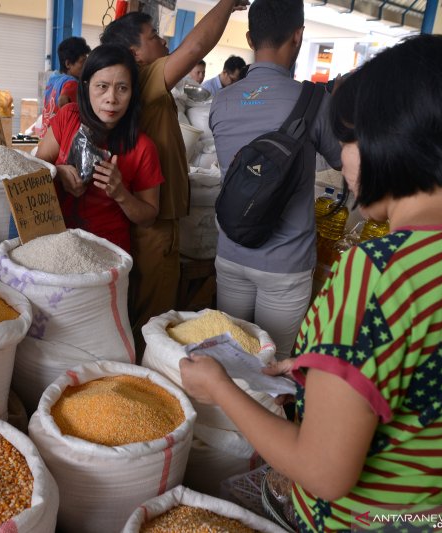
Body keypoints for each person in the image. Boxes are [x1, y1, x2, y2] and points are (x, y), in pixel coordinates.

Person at [181, 34, 442, 531]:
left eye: (350, 141)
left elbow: (323, 473)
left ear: (393, 138)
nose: (343, 159)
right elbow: (425, 371)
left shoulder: (377, 271)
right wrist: (323, 370)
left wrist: (221, 389)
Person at [100, 0, 248, 352]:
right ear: (135, 54)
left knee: (143, 315)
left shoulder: (139, 86)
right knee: (151, 323)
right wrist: (226, 4)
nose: (164, 41)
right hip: (153, 225)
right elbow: (195, 47)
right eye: (154, 36)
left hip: (150, 221)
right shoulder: (145, 78)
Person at [208, 0, 341, 360]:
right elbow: (344, 161)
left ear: (250, 38)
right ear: (298, 36)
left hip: (232, 250)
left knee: (231, 357)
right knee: (275, 365)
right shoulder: (315, 102)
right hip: (286, 262)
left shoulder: (221, 102)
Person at [35, 44, 164, 253]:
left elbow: (149, 218)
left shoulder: (143, 148)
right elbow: (35, 169)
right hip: (52, 244)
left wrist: (120, 193)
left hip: (106, 256)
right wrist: (58, 173)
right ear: (86, 86)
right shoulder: (68, 116)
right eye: (102, 86)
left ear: (133, 93)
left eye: (122, 88)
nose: (111, 98)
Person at [38, 36, 91, 138]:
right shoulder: (71, 83)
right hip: (60, 138)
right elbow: (62, 101)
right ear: (68, 64)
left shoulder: (54, 78)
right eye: (82, 61)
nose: (86, 65)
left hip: (46, 136)